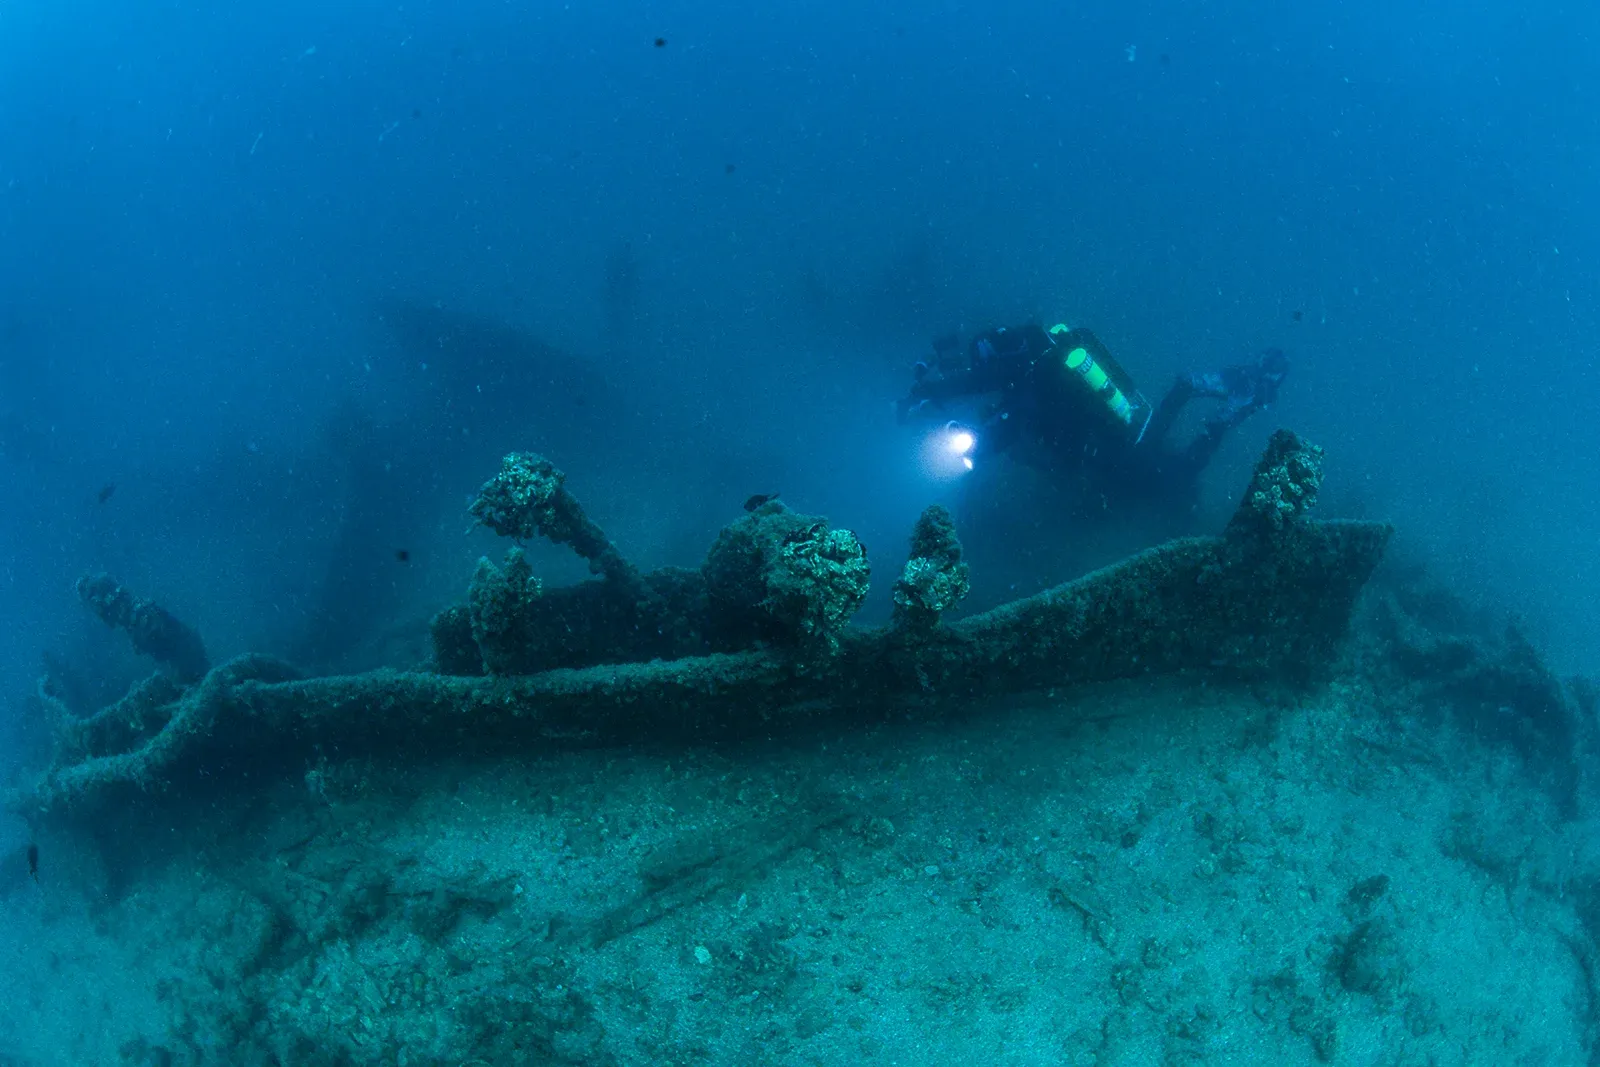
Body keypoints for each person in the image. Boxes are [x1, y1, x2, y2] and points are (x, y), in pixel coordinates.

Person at [898, 322, 1288, 515]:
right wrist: (930, 392)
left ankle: (1228, 407)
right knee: (1158, 462)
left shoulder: (1033, 376)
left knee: (1172, 477)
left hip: (1112, 449)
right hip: (1114, 435)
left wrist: (975, 446)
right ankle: (1191, 389)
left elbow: (1007, 419)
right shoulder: (1038, 363)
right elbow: (985, 392)